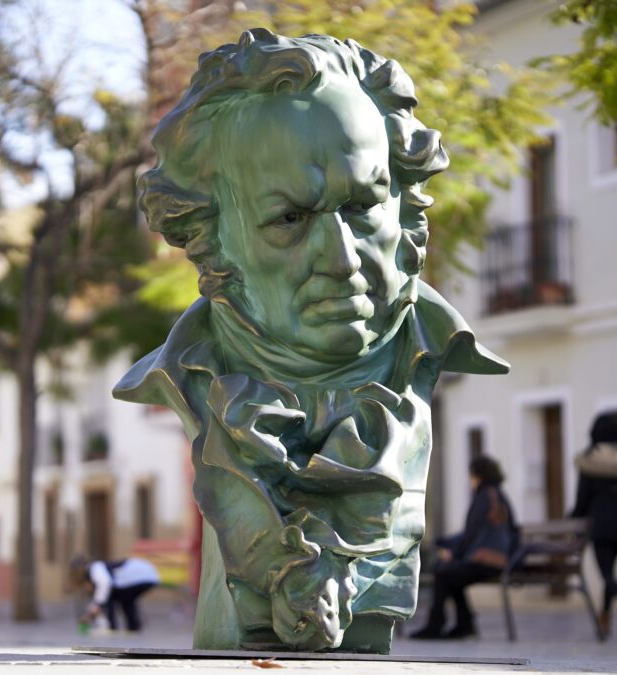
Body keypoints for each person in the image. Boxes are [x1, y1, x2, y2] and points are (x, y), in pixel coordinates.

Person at [114, 29, 509, 652]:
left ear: (403, 201)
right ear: (210, 235)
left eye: (361, 207)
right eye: (290, 219)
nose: (342, 259)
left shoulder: (425, 351)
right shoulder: (190, 379)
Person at [410, 456, 518, 640]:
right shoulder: (498, 494)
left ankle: (436, 625)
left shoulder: (485, 496)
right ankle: (464, 624)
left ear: (478, 475)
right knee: (450, 574)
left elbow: (471, 534)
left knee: (444, 572)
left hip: (488, 560)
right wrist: (445, 544)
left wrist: (451, 552)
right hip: (497, 557)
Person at [570, 413, 617, 638]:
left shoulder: (589, 461)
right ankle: (604, 619)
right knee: (610, 573)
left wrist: (573, 519)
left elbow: (582, 500)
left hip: (601, 526)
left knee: (607, 575)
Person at [72, 555, 160, 632]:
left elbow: (105, 584)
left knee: (111, 596)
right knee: (126, 599)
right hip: (150, 575)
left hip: (140, 575)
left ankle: (112, 626)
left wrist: (97, 606)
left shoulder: (95, 567)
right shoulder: (100, 568)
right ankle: (133, 626)